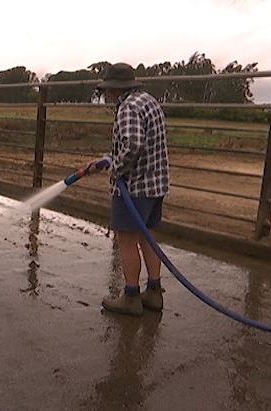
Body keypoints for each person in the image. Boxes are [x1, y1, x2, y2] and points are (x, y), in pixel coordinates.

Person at [89, 62, 170, 316]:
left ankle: (131, 296)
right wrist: (108, 158)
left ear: (114, 89)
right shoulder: (148, 101)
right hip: (155, 184)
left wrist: (116, 169)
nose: (107, 96)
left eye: (107, 91)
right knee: (147, 237)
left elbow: (133, 145)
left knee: (126, 241)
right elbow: (136, 142)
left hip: (134, 186)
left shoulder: (127, 108)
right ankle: (154, 292)